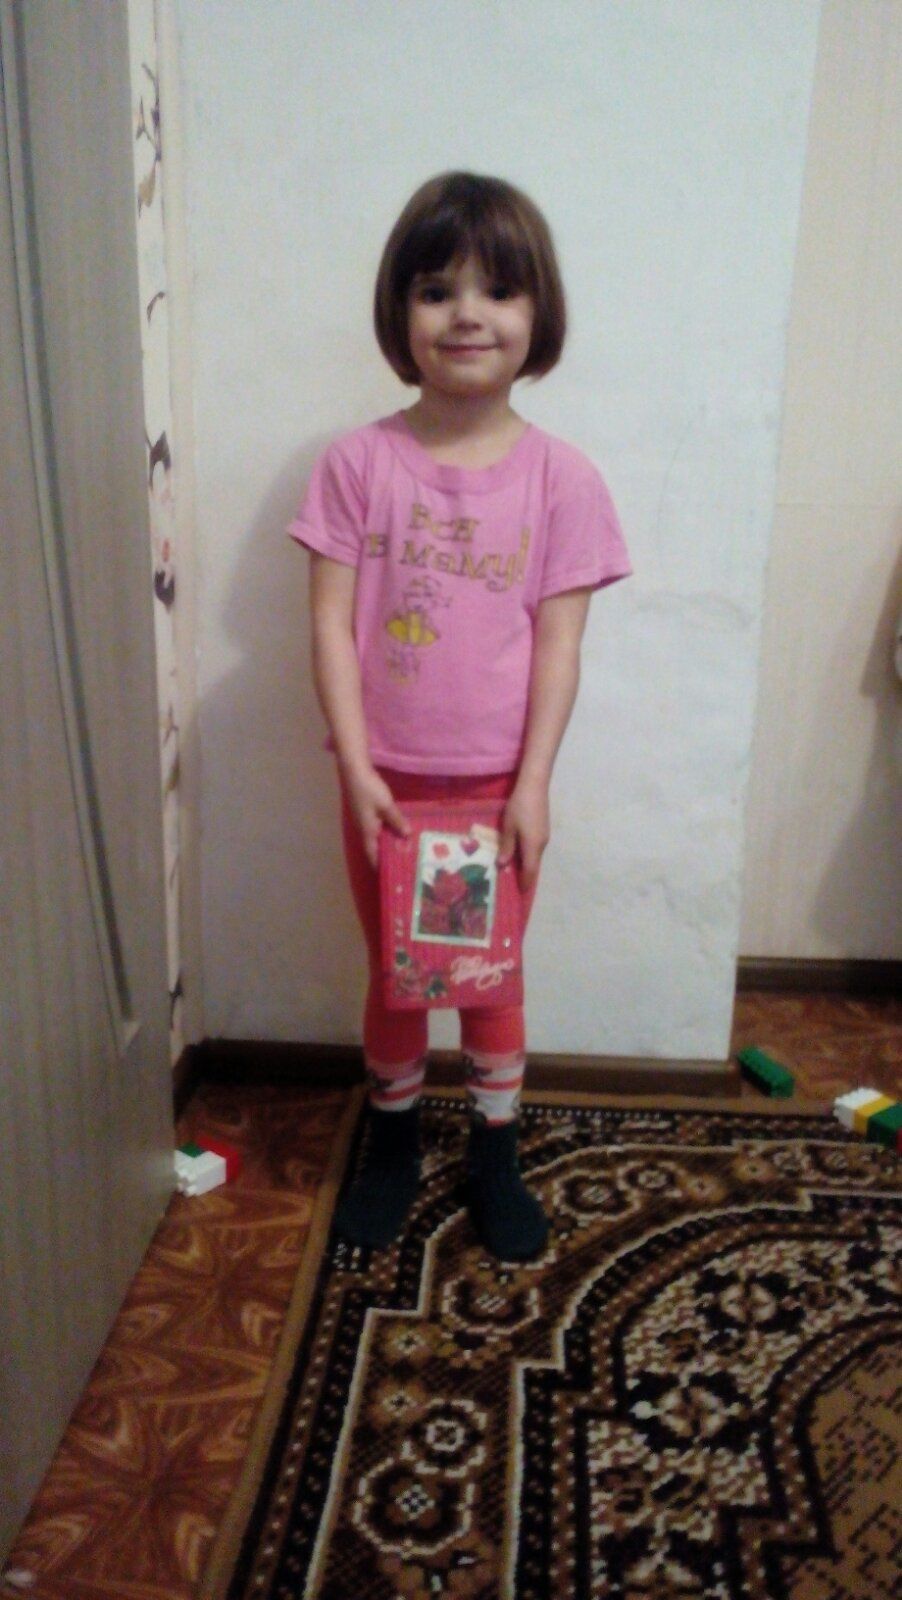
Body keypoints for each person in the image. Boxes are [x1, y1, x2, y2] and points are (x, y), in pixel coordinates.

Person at [289, 171, 631, 1261]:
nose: (467, 315)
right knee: (396, 977)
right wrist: (354, 768)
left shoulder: (563, 480)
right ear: (400, 312)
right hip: (385, 784)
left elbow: (561, 645)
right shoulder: (357, 464)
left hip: (495, 792)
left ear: (538, 313)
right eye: (436, 290)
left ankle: (494, 1152)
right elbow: (329, 625)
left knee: (487, 984)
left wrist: (532, 785)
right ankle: (392, 1143)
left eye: (497, 290)